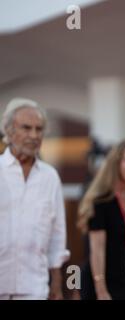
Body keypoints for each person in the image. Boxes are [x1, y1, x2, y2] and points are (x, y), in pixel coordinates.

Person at [0, 98, 69, 300]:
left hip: (34, 286)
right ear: (9, 130)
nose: (34, 135)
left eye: (39, 130)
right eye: (26, 128)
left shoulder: (50, 177)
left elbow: (58, 234)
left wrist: (56, 283)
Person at [78, 139, 125, 300]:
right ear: (116, 162)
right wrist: (101, 290)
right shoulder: (102, 200)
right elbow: (97, 249)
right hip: (100, 281)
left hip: (122, 278)